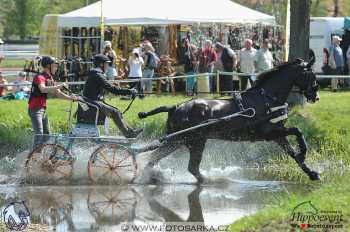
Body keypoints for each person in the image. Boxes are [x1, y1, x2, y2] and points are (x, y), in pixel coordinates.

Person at [80, 54, 142, 138]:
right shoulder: (98, 75)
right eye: (107, 64)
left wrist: (125, 90)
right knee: (115, 112)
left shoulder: (95, 74)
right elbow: (113, 89)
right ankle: (128, 134)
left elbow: (109, 88)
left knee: (117, 111)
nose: (108, 66)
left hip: (91, 101)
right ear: (101, 64)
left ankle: (130, 131)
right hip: (92, 103)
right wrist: (130, 91)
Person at [28, 56, 77, 149]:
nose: (56, 68)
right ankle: (32, 158)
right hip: (35, 109)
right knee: (39, 135)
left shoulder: (49, 78)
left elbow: (58, 94)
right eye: (54, 66)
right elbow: (42, 89)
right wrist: (58, 86)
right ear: (48, 66)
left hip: (43, 109)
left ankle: (41, 154)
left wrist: (71, 98)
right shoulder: (40, 77)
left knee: (47, 136)